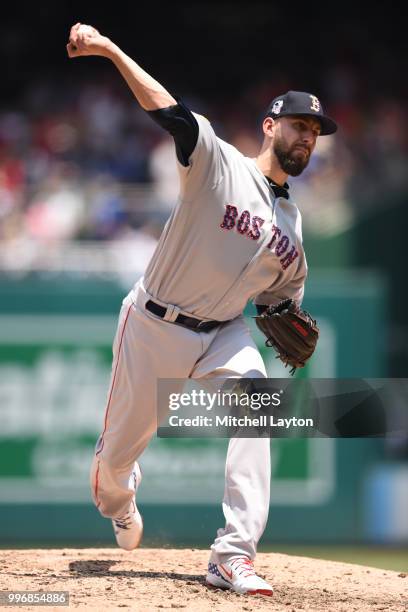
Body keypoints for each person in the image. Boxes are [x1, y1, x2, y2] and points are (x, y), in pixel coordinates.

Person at [67, 23, 337, 596]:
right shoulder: (218, 162)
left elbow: (279, 305)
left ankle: (232, 554)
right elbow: (169, 111)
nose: (307, 136)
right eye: (298, 124)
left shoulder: (294, 229)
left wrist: (282, 316)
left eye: (315, 130)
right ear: (270, 126)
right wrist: (111, 50)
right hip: (152, 325)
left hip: (222, 335)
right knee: (111, 475)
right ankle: (121, 497)